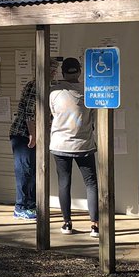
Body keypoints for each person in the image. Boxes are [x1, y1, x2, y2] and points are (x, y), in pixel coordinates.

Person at [49, 56, 99, 238]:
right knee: (91, 183)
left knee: (64, 183)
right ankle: (95, 225)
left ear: (63, 73)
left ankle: (67, 223)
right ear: (79, 72)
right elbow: (93, 117)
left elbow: (53, 114)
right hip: (84, 145)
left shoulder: (54, 92)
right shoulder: (89, 91)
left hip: (59, 144)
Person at [8, 78, 38, 220]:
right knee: (24, 170)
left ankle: (31, 205)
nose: (54, 73)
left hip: (33, 135)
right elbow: (30, 112)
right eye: (52, 70)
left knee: (32, 171)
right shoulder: (35, 85)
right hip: (23, 134)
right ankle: (21, 207)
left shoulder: (45, 85)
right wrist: (32, 134)